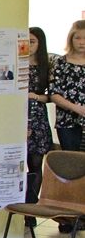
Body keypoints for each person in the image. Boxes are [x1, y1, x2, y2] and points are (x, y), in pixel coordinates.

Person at [24, 27, 51, 224]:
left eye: (32, 41)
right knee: (19, 161)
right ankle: (19, 203)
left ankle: (31, 208)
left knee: (35, 163)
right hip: (18, 115)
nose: (29, 45)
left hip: (37, 116)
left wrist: (37, 97)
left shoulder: (47, 66)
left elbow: (53, 95)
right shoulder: (18, 63)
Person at [50, 20, 85, 153]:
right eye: (78, 38)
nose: (81, 42)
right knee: (71, 159)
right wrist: (76, 108)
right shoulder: (60, 62)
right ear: (71, 39)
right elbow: (54, 94)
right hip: (67, 120)